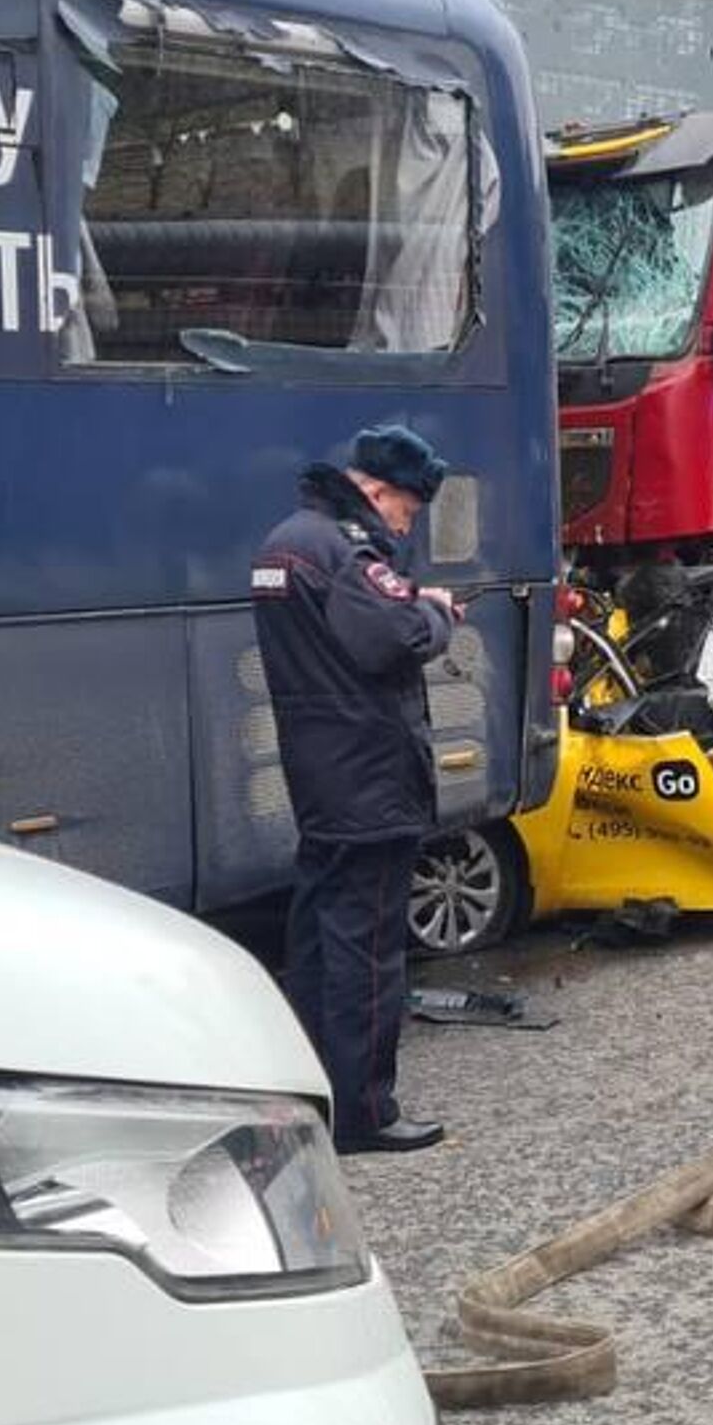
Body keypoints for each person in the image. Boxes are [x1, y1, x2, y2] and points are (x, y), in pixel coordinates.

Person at [251, 425, 459, 1153]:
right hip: (370, 778)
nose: (404, 525)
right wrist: (436, 610)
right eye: (405, 510)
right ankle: (367, 1113)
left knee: (314, 942)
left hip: (319, 774)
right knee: (368, 951)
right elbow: (393, 638)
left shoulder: (286, 540)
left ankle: (310, 1092)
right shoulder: (342, 550)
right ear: (376, 490)